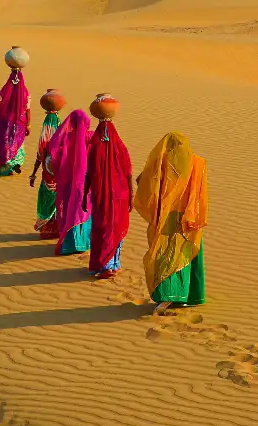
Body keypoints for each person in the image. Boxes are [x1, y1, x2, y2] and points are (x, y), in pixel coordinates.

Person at [133, 132, 208, 313]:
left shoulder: (162, 162)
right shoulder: (198, 162)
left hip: (168, 218)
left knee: (167, 256)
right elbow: (201, 196)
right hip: (189, 219)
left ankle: (170, 295)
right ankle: (190, 295)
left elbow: (143, 183)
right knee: (187, 254)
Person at [83, 97, 132, 278]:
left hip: (102, 196)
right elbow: (128, 171)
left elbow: (88, 173)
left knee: (103, 227)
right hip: (119, 195)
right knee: (114, 227)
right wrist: (131, 195)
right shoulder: (119, 145)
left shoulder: (94, 145)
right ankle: (112, 263)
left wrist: (84, 195)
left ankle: (105, 265)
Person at [47, 110, 92, 255]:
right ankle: (81, 244)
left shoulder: (66, 138)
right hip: (85, 183)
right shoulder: (91, 136)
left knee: (69, 210)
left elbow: (53, 154)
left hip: (67, 183)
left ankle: (69, 244)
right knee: (82, 211)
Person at [29, 105, 62, 239]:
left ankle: (49, 230)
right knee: (57, 202)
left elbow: (39, 154)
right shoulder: (62, 138)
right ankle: (57, 230)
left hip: (48, 177)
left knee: (47, 201)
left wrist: (33, 173)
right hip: (58, 178)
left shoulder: (45, 141)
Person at [0, 68, 31, 176]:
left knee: (4, 142)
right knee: (17, 141)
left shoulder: (4, 90)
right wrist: (28, 124)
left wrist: (2, 114)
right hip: (20, 122)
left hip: (4, 122)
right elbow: (28, 110)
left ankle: (7, 167)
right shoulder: (25, 92)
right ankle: (16, 162)